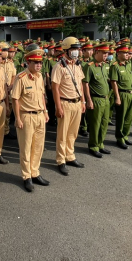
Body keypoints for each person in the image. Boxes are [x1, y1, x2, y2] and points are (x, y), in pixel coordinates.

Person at [11, 48, 50, 192]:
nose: (39, 65)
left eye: (40, 62)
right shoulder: (21, 77)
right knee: (26, 148)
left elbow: (42, 96)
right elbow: (15, 99)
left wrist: (45, 111)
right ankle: (26, 176)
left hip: (40, 115)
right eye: (36, 62)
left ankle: (35, 172)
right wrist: (17, 118)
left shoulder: (40, 77)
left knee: (38, 147)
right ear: (28, 62)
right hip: (26, 116)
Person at [51, 36, 86, 176]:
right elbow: (55, 88)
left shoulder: (77, 65)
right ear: (66, 49)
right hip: (65, 103)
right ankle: (61, 160)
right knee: (62, 134)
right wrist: (58, 107)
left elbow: (81, 86)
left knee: (73, 133)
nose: (76, 51)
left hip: (77, 103)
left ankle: (70, 156)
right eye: (73, 49)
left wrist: (83, 101)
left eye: (77, 49)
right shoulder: (59, 67)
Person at [83, 42, 111, 158]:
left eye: (107, 53)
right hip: (96, 99)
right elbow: (85, 84)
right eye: (104, 53)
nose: (106, 55)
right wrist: (88, 100)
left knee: (104, 123)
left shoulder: (104, 66)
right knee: (95, 124)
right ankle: (93, 146)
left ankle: (100, 143)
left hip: (106, 99)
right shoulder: (89, 66)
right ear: (97, 52)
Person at [109, 44, 132, 149]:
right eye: (124, 52)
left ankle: (125, 136)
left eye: (127, 52)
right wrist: (117, 97)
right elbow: (114, 82)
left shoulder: (128, 65)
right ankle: (119, 138)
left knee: (129, 117)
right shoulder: (115, 66)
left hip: (130, 93)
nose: (127, 54)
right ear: (118, 54)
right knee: (121, 117)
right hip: (122, 93)